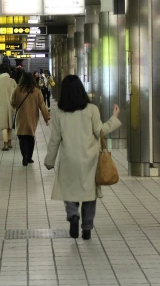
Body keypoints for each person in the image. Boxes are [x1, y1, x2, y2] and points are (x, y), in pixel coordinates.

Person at [44, 75, 121, 241]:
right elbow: (100, 131)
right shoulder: (91, 110)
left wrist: (49, 161)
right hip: (89, 160)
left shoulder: (58, 114)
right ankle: (86, 228)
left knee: (70, 192)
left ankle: (73, 216)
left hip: (68, 160)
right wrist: (114, 118)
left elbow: (55, 140)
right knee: (89, 195)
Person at [12, 72, 50, 166]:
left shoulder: (17, 89)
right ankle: (29, 157)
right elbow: (42, 105)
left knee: (22, 136)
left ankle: (24, 156)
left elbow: (12, 101)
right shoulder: (36, 91)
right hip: (33, 116)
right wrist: (46, 117)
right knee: (30, 136)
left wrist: (17, 107)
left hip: (21, 116)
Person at [0, 63, 17, 151]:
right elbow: (16, 94)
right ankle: (9, 143)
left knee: (4, 126)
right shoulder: (12, 81)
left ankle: (5, 144)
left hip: (1, 106)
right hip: (12, 106)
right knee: (10, 125)